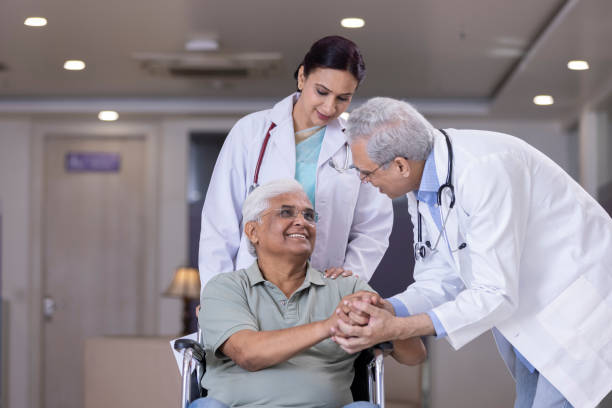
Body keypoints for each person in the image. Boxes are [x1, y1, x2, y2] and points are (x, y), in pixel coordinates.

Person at [330, 97, 612, 408]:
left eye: (365, 172)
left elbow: (495, 293)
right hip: (530, 321)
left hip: (578, 312)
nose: (363, 180)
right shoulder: (424, 186)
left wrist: (399, 327)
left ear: (399, 165)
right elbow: (440, 277)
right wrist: (389, 308)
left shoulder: (485, 169)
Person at [191, 179, 425, 408]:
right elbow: (248, 354)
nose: (302, 222)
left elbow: (415, 355)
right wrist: (330, 325)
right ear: (253, 231)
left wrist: (386, 317)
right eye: (286, 213)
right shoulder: (225, 288)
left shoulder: (346, 287)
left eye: (309, 216)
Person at [198, 36, 392, 288]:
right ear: (302, 77)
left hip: (324, 288)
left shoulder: (357, 145)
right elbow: (219, 223)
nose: (329, 106)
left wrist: (350, 275)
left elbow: (373, 226)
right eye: (322, 92)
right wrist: (216, 296)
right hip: (251, 289)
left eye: (343, 98)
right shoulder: (251, 132)